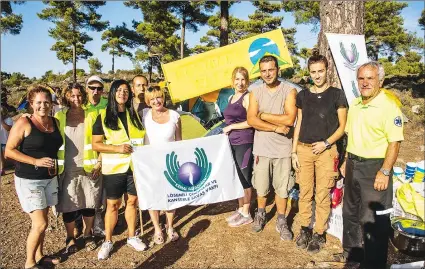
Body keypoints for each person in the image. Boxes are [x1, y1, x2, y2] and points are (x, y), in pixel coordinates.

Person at [334, 62, 404, 269]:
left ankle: (373, 263)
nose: (365, 83)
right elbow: (352, 135)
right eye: (361, 78)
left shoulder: (389, 106)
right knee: (350, 212)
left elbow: (394, 142)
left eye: (370, 78)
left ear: (380, 81)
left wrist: (384, 171)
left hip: (375, 168)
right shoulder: (355, 103)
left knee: (373, 219)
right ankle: (352, 254)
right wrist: (346, 159)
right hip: (354, 163)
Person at [291, 51, 348, 253]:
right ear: (309, 72)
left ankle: (319, 232)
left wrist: (325, 143)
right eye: (313, 72)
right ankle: (305, 228)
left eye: (320, 71)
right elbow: (298, 124)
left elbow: (342, 127)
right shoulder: (303, 96)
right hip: (304, 150)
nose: (317, 75)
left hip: (326, 151)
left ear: (327, 71)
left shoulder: (336, 94)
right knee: (305, 192)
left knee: (322, 194)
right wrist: (294, 152)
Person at [5, 86, 63, 269]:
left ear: (51, 103)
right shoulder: (24, 122)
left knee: (43, 222)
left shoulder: (55, 122)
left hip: (49, 178)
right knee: (40, 223)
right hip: (29, 180)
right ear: (31, 104)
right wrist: (35, 161)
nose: (43, 106)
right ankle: (29, 263)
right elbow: (9, 151)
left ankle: (40, 255)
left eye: (46, 102)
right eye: (38, 102)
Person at [92, 79, 147, 260]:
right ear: (113, 93)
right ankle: (108, 241)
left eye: (125, 91)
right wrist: (117, 148)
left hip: (134, 167)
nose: (122, 93)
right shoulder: (103, 115)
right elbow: (96, 144)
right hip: (114, 168)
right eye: (119, 90)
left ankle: (132, 236)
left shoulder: (135, 115)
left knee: (132, 202)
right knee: (113, 205)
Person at [247, 55, 297, 240]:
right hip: (262, 148)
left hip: (283, 149)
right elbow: (252, 119)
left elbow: (290, 119)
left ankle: (282, 220)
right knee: (261, 186)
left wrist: (264, 115)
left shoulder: (289, 91)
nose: (268, 74)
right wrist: (276, 126)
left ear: (278, 70)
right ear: (260, 73)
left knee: (282, 188)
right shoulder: (255, 92)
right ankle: (260, 213)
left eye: (271, 69)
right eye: (264, 70)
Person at [54, 83, 102, 253]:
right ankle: (70, 237)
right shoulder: (59, 116)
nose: (76, 99)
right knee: (68, 205)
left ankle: (88, 234)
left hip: (89, 167)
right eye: (72, 96)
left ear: (84, 96)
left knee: (89, 203)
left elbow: (103, 140)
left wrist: (99, 161)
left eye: (79, 95)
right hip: (66, 168)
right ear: (66, 97)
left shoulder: (93, 114)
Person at [143, 85, 182, 244]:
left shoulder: (174, 115)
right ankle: (157, 229)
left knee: (171, 195)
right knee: (153, 196)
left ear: (163, 97)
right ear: (147, 101)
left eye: (158, 97)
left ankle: (170, 226)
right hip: (151, 163)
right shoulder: (144, 116)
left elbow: (179, 141)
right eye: (152, 99)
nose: (156, 101)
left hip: (171, 163)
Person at [222, 67, 255, 227]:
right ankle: (241, 208)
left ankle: (247, 213)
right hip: (231, 143)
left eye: (243, 79)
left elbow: (251, 121)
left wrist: (232, 128)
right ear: (232, 80)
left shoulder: (247, 97)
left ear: (247, 81)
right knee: (236, 177)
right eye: (237, 79)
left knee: (245, 177)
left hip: (244, 141)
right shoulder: (231, 97)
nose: (240, 83)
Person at [1, 105, 13, 176]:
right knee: (1, 157)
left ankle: (19, 164)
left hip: (6, 141)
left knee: (8, 156)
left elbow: (8, 128)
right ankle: (2, 170)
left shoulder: (8, 119)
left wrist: (1, 121)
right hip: (1, 140)